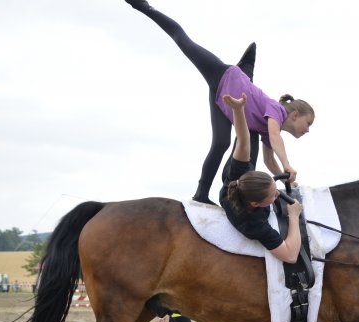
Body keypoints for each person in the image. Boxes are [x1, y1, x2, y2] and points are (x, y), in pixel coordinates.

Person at [125, 0, 315, 204]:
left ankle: (201, 194)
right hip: (224, 75)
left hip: (223, 100)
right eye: (308, 123)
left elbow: (269, 159)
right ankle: (143, 6)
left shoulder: (269, 131)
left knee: (221, 143)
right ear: (295, 115)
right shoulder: (277, 110)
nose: (308, 130)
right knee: (183, 41)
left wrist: (285, 179)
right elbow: (276, 137)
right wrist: (287, 163)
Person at [220, 94, 303, 263]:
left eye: (275, 189)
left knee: (250, 140)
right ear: (256, 204)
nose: (278, 195)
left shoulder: (239, 175)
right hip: (239, 208)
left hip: (238, 184)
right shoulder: (253, 223)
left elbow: (243, 140)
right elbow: (290, 256)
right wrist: (294, 216)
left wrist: (238, 109)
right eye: (273, 195)